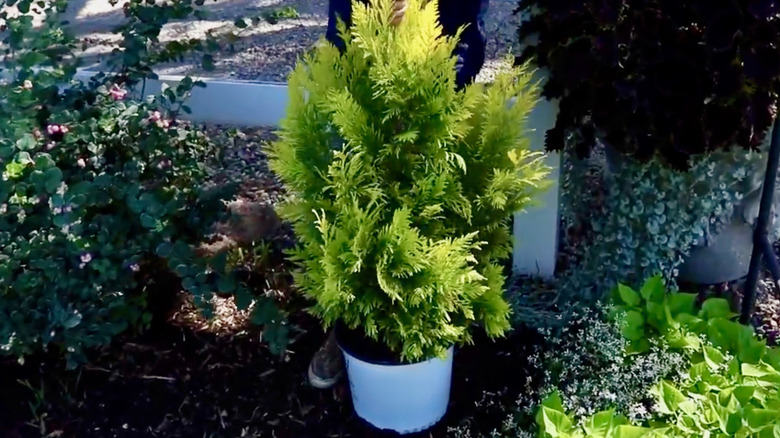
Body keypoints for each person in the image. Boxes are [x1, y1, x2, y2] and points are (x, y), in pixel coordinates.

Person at [308, 0, 491, 389]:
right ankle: (351, 321)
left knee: (435, 159)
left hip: (446, 20)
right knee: (352, 150)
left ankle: (434, 305)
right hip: (359, 16)